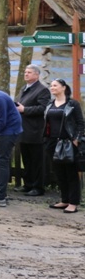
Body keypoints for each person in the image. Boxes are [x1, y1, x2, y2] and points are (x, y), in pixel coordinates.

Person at [44, 79, 84, 214]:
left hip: (68, 142)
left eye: (55, 85)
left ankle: (73, 203)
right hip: (52, 142)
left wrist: (76, 139)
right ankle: (65, 200)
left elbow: (80, 123)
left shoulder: (72, 104)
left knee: (71, 173)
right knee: (59, 173)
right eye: (51, 86)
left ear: (63, 88)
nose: (52, 88)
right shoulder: (50, 104)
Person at [14, 64, 51, 196]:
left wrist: (25, 110)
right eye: (25, 72)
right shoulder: (24, 88)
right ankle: (28, 184)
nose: (26, 74)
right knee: (27, 160)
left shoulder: (42, 90)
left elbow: (43, 108)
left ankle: (38, 187)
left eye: (29, 72)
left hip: (35, 130)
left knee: (37, 161)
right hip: (23, 129)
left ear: (36, 75)